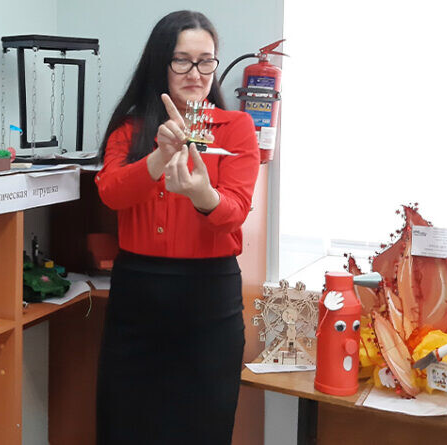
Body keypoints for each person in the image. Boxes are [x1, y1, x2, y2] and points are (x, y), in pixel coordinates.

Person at [95, 10, 260, 445]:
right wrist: (157, 157)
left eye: (206, 61)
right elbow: (110, 192)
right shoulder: (130, 129)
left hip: (209, 298)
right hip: (138, 292)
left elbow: (235, 212)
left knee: (202, 424)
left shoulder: (237, 127)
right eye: (182, 60)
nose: (196, 73)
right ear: (160, 63)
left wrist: (203, 195)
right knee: (127, 422)